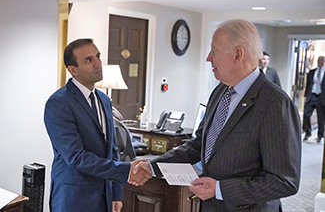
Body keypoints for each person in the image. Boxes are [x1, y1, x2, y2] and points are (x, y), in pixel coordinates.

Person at [135, 19, 301, 211]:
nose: (208, 58)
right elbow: (199, 145)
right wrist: (153, 166)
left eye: (214, 51)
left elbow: (284, 181)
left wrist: (221, 189)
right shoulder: (220, 91)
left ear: (238, 54)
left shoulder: (275, 103)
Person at [44, 38, 151, 212]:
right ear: (73, 70)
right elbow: (76, 157)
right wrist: (125, 171)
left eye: (98, 56)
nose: (98, 64)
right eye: (89, 60)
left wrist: (116, 193)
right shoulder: (58, 104)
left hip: (105, 196)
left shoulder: (104, 100)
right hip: (74, 198)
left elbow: (112, 149)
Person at [303, 56, 325, 143]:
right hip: (311, 96)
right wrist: (306, 96)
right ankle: (307, 133)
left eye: (322, 60)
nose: (320, 62)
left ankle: (320, 136)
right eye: (319, 60)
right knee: (306, 114)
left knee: (320, 118)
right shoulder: (312, 72)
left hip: (321, 97)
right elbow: (308, 84)